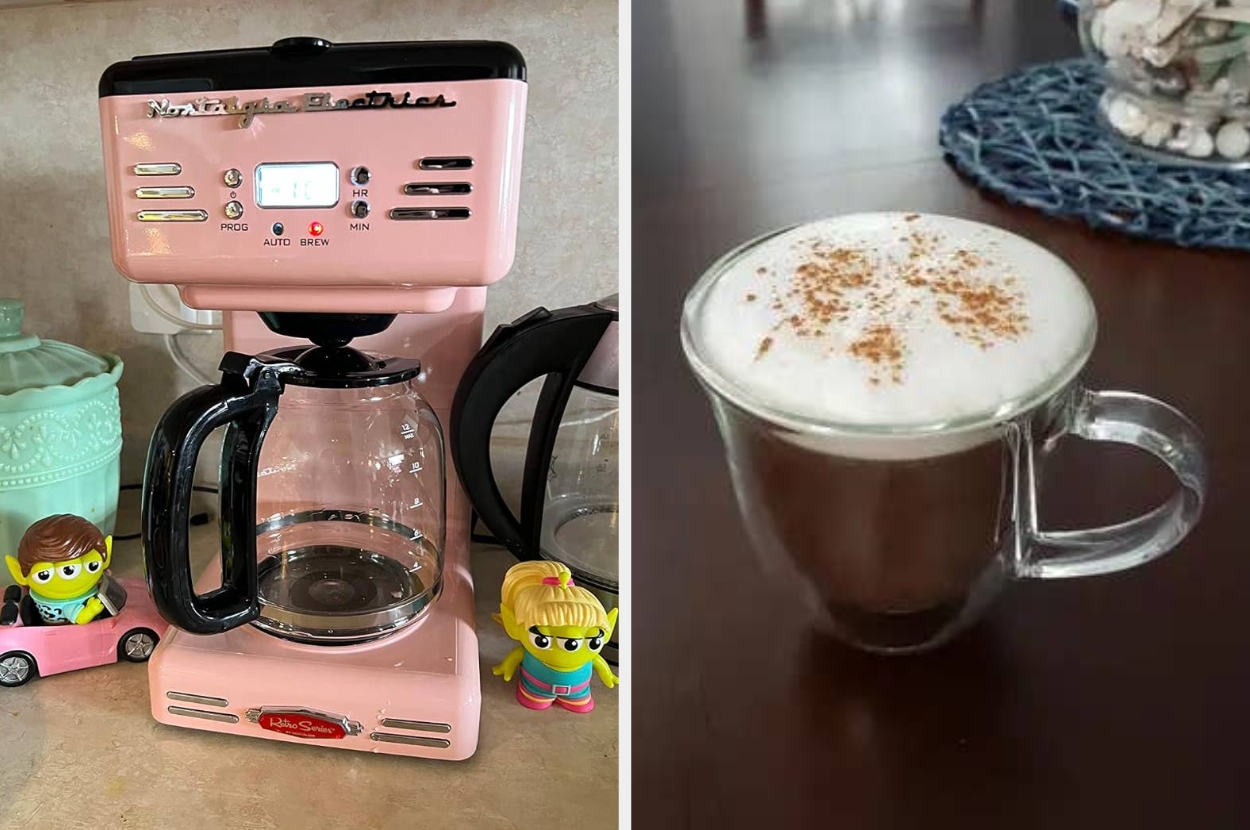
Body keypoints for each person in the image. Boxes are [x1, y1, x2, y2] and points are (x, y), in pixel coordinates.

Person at [493, 560, 619, 713]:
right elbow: (516, 655)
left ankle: (575, 700)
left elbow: (597, 661)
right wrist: (506, 666)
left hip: (578, 692)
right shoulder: (530, 651)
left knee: (580, 703)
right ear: (513, 626)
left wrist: (607, 674)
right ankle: (535, 697)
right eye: (542, 640)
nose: (572, 646)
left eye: (593, 641)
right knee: (534, 700)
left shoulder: (590, 657)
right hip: (535, 688)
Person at [4, 515, 112, 625]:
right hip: (66, 626)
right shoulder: (68, 605)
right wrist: (92, 609)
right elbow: (81, 618)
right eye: (43, 575)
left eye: (93, 565)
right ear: (19, 574)